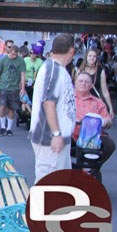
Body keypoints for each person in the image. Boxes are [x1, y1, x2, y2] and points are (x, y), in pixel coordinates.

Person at [29, 34, 76, 183]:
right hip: (49, 139)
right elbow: (48, 102)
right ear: (72, 51)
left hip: (56, 139)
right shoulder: (53, 70)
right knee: (48, 185)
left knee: (58, 185)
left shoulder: (57, 69)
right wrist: (56, 133)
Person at [73, 71, 115, 165]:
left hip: (93, 137)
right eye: (80, 81)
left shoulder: (98, 102)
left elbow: (108, 120)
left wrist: (104, 121)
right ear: (75, 83)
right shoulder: (67, 98)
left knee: (109, 145)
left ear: (91, 85)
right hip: (71, 135)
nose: (83, 83)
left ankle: (94, 167)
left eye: (86, 82)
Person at [0, 45, 26, 136]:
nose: (15, 56)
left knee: (12, 108)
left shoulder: (21, 61)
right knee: (2, 106)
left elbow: (23, 74)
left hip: (14, 87)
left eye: (16, 55)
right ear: (9, 52)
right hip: (3, 86)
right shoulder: (3, 60)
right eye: (13, 54)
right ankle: (3, 126)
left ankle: (9, 128)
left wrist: (23, 88)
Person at [73, 48, 114, 116]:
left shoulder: (101, 71)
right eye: (90, 56)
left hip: (95, 104)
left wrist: (110, 108)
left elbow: (105, 91)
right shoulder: (80, 71)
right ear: (86, 57)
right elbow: (75, 89)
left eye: (94, 56)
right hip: (81, 103)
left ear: (96, 58)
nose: (92, 58)